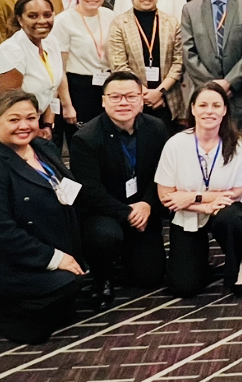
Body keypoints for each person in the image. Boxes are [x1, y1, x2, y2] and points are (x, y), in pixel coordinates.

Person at [0, 91, 87, 344]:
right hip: (5, 260)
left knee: (80, 276)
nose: (24, 125)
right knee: (62, 287)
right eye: (13, 119)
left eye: (31, 118)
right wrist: (54, 258)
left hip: (44, 240)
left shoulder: (43, 148)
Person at [70, 72, 167, 308]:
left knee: (149, 277)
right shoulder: (86, 138)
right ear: (103, 101)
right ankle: (102, 277)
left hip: (142, 209)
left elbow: (164, 174)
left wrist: (147, 203)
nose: (123, 102)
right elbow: (90, 191)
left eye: (131, 96)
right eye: (115, 97)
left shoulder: (156, 128)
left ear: (141, 99)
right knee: (105, 236)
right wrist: (127, 212)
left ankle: (128, 253)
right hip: (103, 212)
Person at [156, 82, 242, 296]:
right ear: (192, 108)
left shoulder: (239, 144)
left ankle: (234, 261)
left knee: (231, 219)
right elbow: (165, 196)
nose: (209, 111)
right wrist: (204, 206)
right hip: (188, 214)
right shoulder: (175, 144)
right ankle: (200, 260)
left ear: (225, 110)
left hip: (226, 209)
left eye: (216, 105)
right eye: (202, 105)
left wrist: (192, 196)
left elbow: (237, 192)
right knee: (184, 287)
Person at [181, 0, 242, 156]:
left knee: (239, 152)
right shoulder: (190, 10)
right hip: (205, 97)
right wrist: (213, 87)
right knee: (207, 152)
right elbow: (188, 51)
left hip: (239, 95)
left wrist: (230, 82)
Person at [0, 0, 77, 138]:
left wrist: (48, 124)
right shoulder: (11, 51)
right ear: (20, 19)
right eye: (33, 16)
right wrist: (34, 131)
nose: (42, 21)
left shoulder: (51, 42)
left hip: (30, 123)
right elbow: (7, 105)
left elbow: (52, 88)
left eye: (47, 15)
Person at [106, 0, 186, 130]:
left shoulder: (172, 23)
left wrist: (159, 92)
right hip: (132, 98)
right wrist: (143, 92)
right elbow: (119, 64)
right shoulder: (119, 24)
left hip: (166, 98)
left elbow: (179, 61)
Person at [49, 0, 114, 125]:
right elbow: (59, 69)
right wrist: (67, 105)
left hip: (107, 85)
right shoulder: (63, 21)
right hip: (78, 88)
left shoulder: (110, 16)